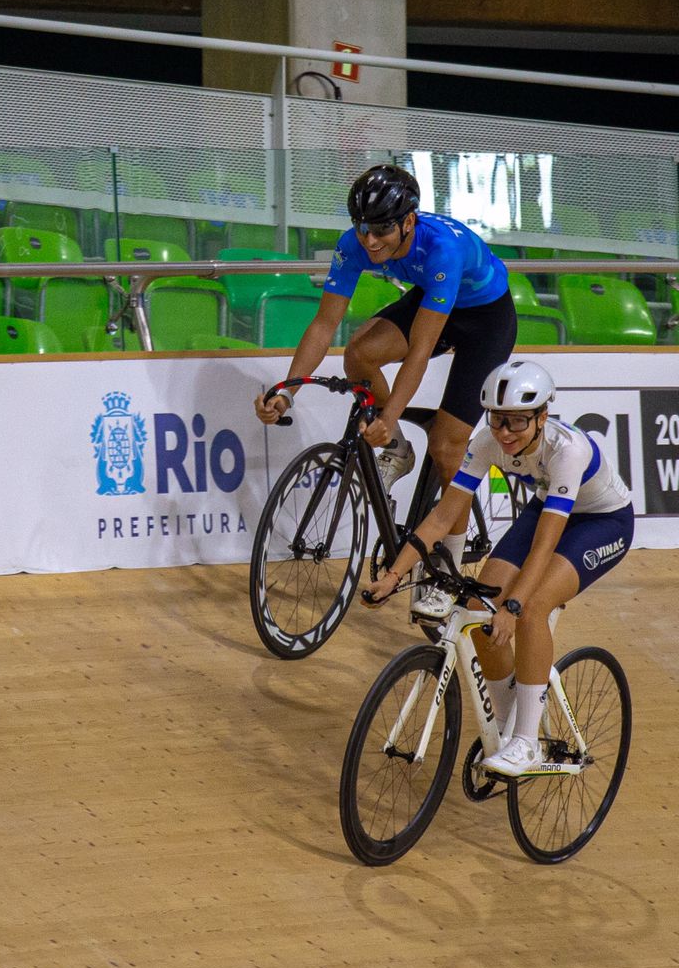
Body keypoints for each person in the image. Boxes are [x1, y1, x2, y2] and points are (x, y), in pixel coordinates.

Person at [254, 163, 517, 619]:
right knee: (358, 354)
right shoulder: (353, 244)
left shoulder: (442, 250)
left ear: (408, 221)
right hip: (434, 299)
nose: (370, 241)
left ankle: (449, 565)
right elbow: (324, 325)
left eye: (381, 230)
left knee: (447, 445)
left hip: (485, 319)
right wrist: (288, 390)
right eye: (362, 229)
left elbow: (420, 352)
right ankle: (395, 451)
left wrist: (389, 414)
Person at [359, 360, 634, 776]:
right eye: (498, 421)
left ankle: (527, 743)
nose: (505, 433)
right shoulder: (485, 441)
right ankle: (512, 720)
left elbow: (545, 544)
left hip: (601, 522)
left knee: (534, 606)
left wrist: (516, 605)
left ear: (542, 417)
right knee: (477, 605)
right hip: (549, 509)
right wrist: (393, 576)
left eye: (517, 423)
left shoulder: (568, 452)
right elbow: (440, 517)